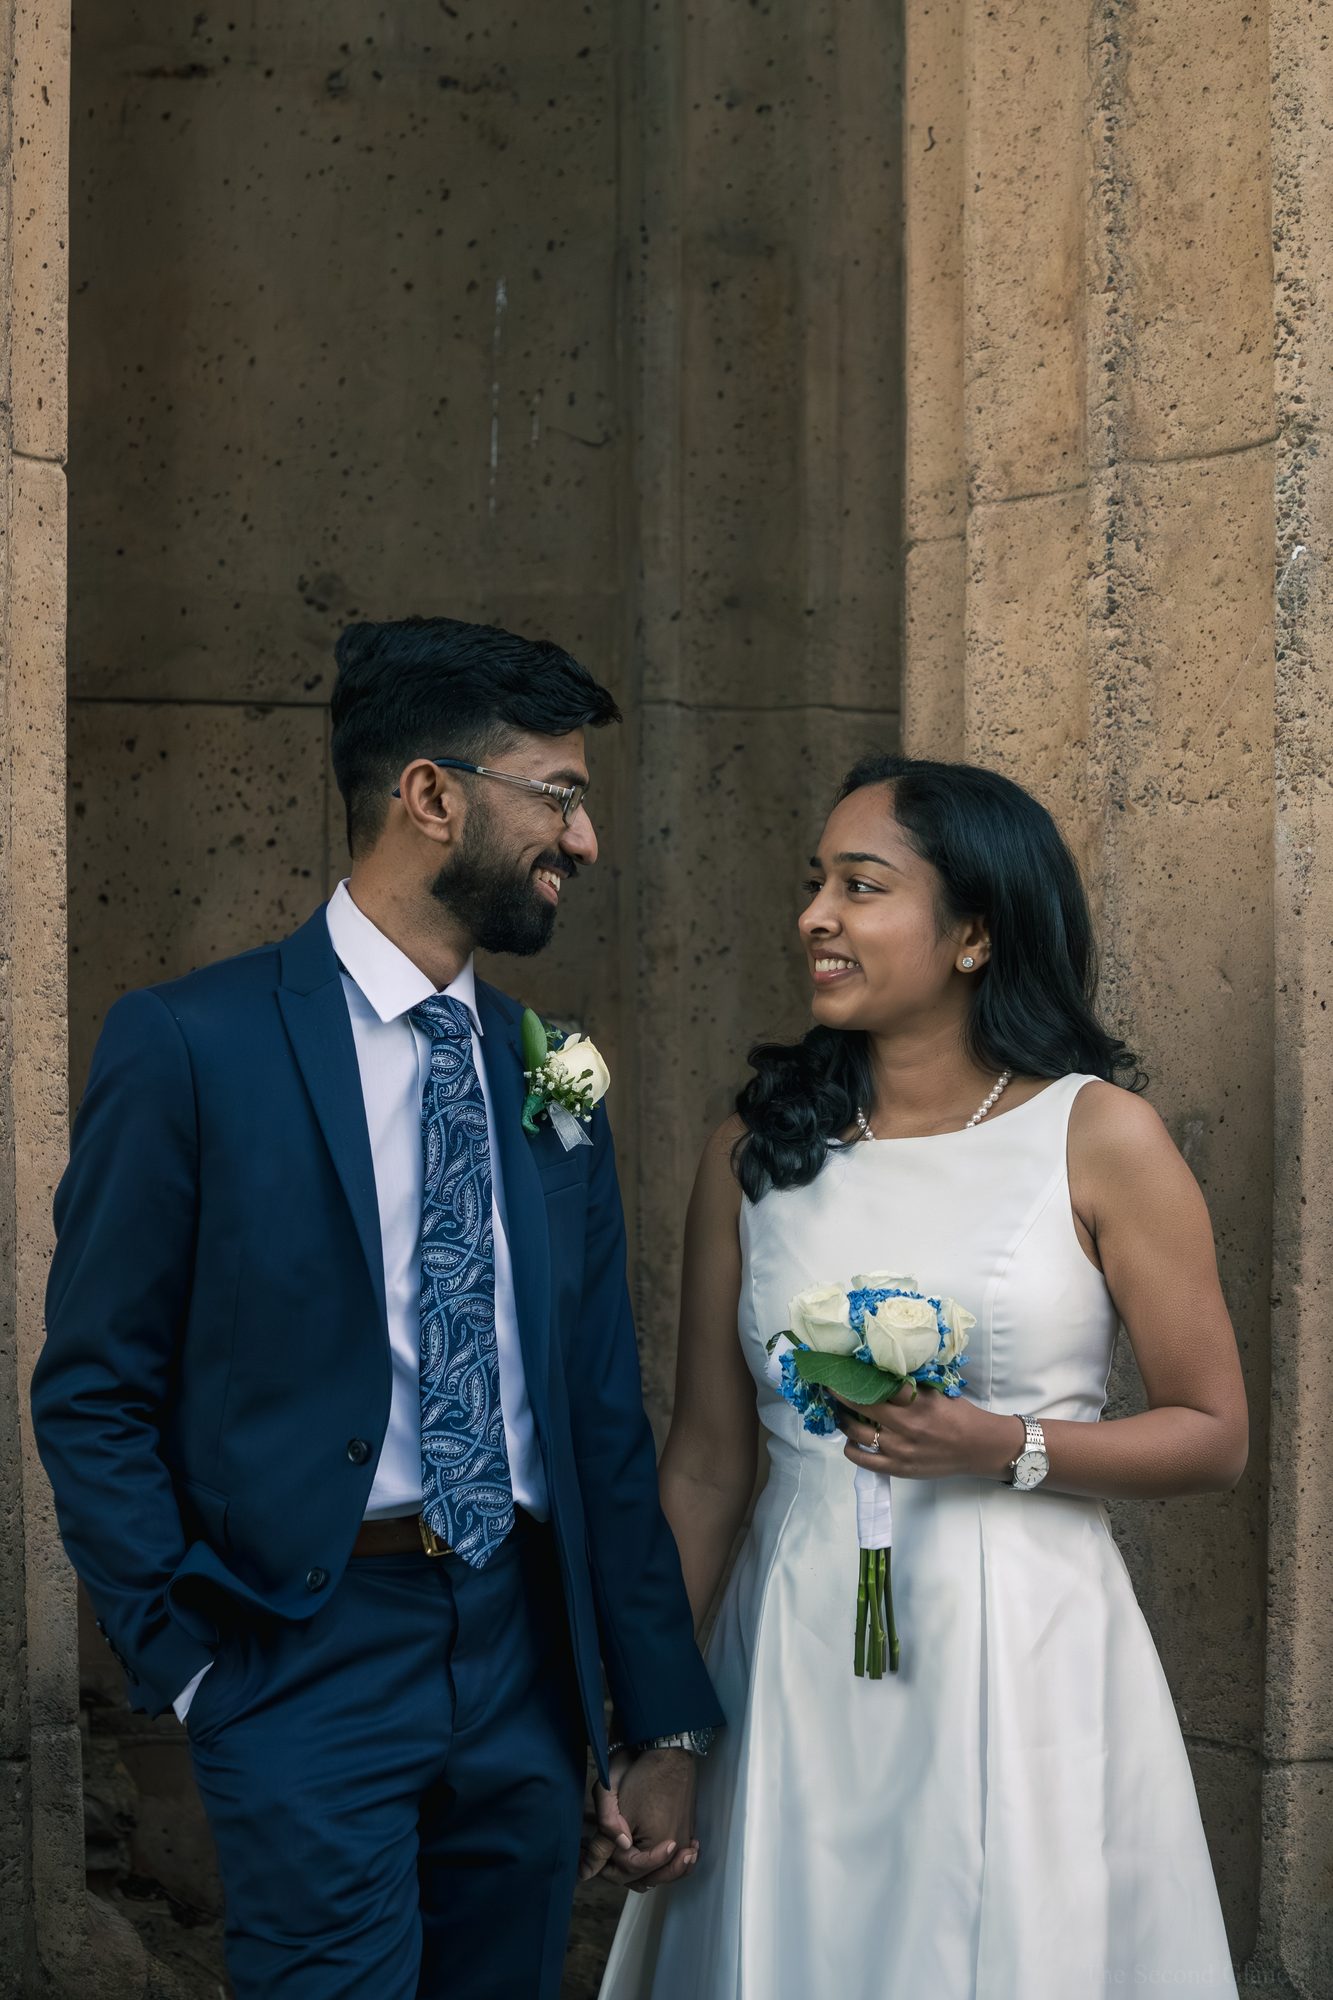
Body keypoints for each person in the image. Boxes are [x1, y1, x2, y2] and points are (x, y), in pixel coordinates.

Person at [31, 616, 722, 2000]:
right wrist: (188, 1668)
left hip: (520, 1659)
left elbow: (597, 1415)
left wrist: (653, 1722)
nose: (582, 841)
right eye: (560, 795)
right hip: (302, 1652)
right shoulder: (191, 1045)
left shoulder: (551, 1070)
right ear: (430, 795)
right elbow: (92, 1389)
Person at [592, 753, 1247, 2000]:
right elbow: (708, 1462)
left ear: (973, 931)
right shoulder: (751, 1150)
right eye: (813, 884)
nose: (815, 917)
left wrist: (1004, 1443)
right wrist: (660, 1725)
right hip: (787, 1653)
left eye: (861, 885)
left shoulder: (1098, 1133)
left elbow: (1212, 1432)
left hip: (1023, 1647)